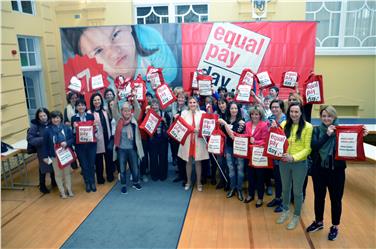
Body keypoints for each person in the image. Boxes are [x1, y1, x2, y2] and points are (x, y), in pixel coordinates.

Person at [306, 105, 368, 241]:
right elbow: (314, 146)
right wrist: (327, 135)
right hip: (319, 170)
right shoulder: (316, 130)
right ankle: (318, 222)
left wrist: (361, 135)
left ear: (334, 117)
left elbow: (353, 144)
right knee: (319, 197)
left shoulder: (343, 131)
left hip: (337, 171)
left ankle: (335, 226)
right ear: (320, 117)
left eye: (329, 116)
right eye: (324, 116)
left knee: (336, 200)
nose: (326, 118)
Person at [62, 25, 178, 90]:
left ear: (129, 27)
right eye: (98, 50)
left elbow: (169, 74)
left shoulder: (149, 40)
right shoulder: (97, 82)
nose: (114, 52)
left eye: (116, 34)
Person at [276, 102, 313, 230]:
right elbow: (277, 142)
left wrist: (293, 157)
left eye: (296, 112)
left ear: (301, 113)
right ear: (288, 113)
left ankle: (296, 215)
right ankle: (285, 211)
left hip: (299, 164)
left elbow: (308, 149)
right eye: (291, 112)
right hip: (284, 162)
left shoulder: (308, 127)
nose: (294, 114)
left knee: (297, 192)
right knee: (285, 189)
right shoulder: (283, 124)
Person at [178, 96, 209, 192]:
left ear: (197, 103)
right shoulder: (184, 113)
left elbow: (207, 125)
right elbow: (182, 124)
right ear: (188, 104)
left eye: (194, 102)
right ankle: (188, 182)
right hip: (187, 140)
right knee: (188, 162)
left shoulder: (202, 113)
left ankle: (199, 182)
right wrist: (192, 129)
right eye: (190, 102)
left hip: (198, 141)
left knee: (198, 162)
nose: (192, 104)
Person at [42, 111, 74, 199]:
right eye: (53, 118)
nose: (55, 120)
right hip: (54, 155)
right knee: (58, 174)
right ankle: (62, 192)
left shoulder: (66, 128)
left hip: (65, 154)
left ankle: (69, 189)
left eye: (57, 118)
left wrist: (66, 143)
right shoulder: (47, 130)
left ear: (60, 118)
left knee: (67, 173)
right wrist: (45, 156)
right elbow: (44, 144)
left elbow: (72, 139)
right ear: (50, 119)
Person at [114, 102, 144, 194]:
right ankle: (123, 185)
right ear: (121, 111)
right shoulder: (118, 119)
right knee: (122, 169)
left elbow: (138, 108)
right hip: (121, 149)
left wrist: (134, 98)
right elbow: (114, 108)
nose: (127, 112)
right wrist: (116, 96)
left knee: (135, 167)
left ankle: (136, 182)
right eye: (124, 110)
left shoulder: (133, 119)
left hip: (132, 149)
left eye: (128, 110)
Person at [218, 102, 246, 201]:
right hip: (229, 148)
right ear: (228, 109)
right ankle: (232, 187)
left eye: (235, 108)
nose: (234, 110)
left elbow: (233, 136)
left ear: (238, 110)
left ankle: (239, 189)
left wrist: (225, 124)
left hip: (239, 149)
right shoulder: (226, 119)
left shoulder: (241, 122)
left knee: (240, 170)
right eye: (232, 108)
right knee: (231, 170)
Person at [244, 106, 269, 207]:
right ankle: (250, 195)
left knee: (260, 178)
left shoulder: (264, 125)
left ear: (260, 115)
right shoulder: (247, 124)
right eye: (253, 114)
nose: (254, 116)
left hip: (259, 156)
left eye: (257, 114)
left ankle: (260, 198)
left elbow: (265, 140)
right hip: (249, 155)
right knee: (250, 177)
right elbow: (245, 137)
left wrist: (255, 142)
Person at [27, 108, 56, 194]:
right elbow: (30, 138)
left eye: (44, 115)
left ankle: (54, 181)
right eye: (41, 116)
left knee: (53, 164)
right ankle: (42, 185)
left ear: (47, 115)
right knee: (43, 167)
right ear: (38, 117)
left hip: (53, 148)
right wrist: (43, 139)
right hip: (42, 149)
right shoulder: (35, 125)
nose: (43, 118)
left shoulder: (52, 122)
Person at [71, 99, 97, 192]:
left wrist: (95, 126)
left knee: (91, 164)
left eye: (82, 105)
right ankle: (87, 183)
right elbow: (73, 133)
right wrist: (74, 128)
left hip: (91, 145)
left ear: (86, 106)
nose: (81, 107)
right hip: (80, 146)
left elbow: (95, 131)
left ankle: (92, 182)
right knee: (84, 165)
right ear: (76, 107)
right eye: (79, 105)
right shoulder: (74, 118)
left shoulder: (90, 116)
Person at [88, 93, 114, 184]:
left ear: (101, 101)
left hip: (107, 138)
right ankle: (100, 178)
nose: (97, 101)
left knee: (108, 159)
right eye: (95, 100)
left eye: (98, 99)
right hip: (97, 140)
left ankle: (110, 175)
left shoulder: (105, 110)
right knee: (98, 161)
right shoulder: (89, 113)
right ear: (92, 102)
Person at [266, 99, 286, 213]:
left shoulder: (286, 120)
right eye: (272, 107)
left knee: (284, 179)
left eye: (276, 107)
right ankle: (277, 198)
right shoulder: (270, 119)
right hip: (274, 152)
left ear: (281, 108)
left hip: (283, 153)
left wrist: (277, 128)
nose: (274, 109)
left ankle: (284, 201)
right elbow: (268, 132)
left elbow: (286, 136)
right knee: (277, 178)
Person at [148, 99, 171, 181]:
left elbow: (170, 127)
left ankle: (163, 175)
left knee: (163, 157)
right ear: (150, 106)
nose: (154, 107)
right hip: (152, 139)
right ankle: (154, 175)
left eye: (156, 105)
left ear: (159, 105)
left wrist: (165, 122)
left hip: (163, 139)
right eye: (153, 105)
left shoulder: (165, 114)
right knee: (153, 158)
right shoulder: (148, 114)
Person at [170, 89, 188, 183]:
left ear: (185, 100)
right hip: (173, 134)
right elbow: (164, 107)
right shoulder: (173, 105)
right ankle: (179, 174)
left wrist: (180, 116)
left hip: (182, 134)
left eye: (182, 98)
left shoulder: (187, 108)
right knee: (176, 154)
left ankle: (185, 176)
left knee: (183, 156)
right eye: (179, 97)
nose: (180, 99)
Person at [214, 97, 230, 190]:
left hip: (228, 142)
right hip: (219, 141)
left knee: (228, 163)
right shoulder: (217, 114)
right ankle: (222, 180)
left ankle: (228, 181)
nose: (221, 105)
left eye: (223, 103)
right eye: (219, 104)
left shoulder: (230, 113)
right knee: (220, 162)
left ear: (226, 104)